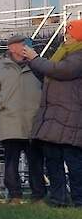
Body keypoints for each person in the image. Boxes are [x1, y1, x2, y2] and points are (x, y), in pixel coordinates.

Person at [22, 19, 82, 207]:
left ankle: (79, 200)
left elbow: (59, 70)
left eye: (70, 33)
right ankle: (59, 199)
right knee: (53, 160)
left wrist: (35, 58)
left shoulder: (78, 56)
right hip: (54, 117)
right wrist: (33, 61)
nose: (67, 37)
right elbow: (48, 73)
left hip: (71, 116)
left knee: (74, 163)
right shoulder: (63, 53)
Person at [0, 34, 46, 204]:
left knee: (36, 161)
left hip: (34, 122)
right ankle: (15, 196)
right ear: (11, 48)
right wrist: (1, 103)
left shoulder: (38, 66)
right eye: (23, 44)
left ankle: (38, 196)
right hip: (10, 122)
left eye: (28, 43)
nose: (27, 46)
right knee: (11, 161)